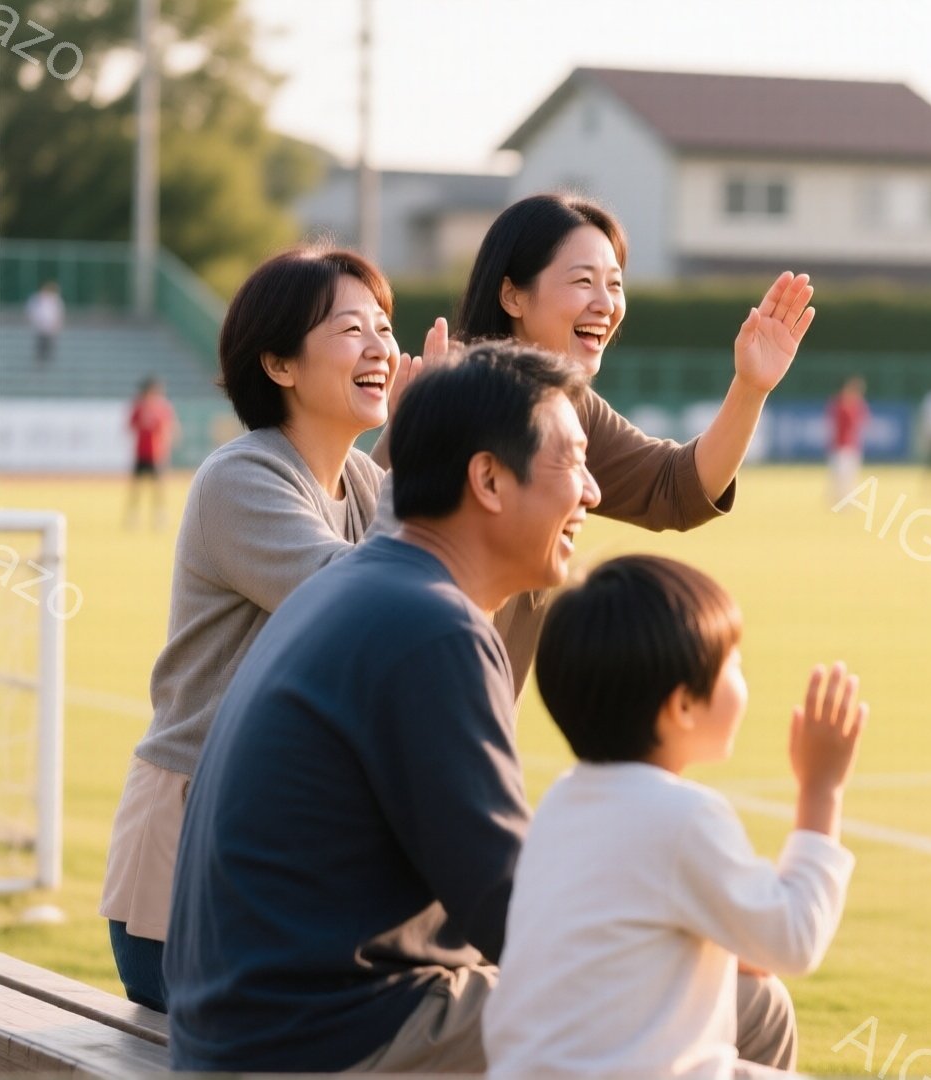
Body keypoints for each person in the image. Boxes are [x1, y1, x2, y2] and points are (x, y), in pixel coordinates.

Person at [435, 193, 816, 1062]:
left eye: (616, 282)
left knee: (739, 995)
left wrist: (750, 386)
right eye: (582, 281)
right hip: (412, 852)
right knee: (732, 1000)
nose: (607, 301)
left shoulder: (561, 408)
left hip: (465, 791)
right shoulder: (451, 410)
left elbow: (675, 489)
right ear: (512, 294)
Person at [165, 344, 599, 1072]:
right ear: (488, 478)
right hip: (323, 1041)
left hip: (247, 1030)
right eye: (574, 461)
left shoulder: (358, 588)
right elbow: (510, 911)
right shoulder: (435, 627)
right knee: (733, 1008)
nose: (590, 491)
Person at [99, 247, 442, 1013]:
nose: (382, 348)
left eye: (385, 328)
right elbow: (362, 603)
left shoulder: (364, 483)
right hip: (191, 899)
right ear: (280, 364)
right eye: (351, 329)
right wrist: (431, 456)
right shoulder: (241, 477)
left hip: (286, 868)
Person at [485, 557, 865, 1078]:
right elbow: (795, 939)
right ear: (683, 706)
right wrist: (822, 790)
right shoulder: (683, 819)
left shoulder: (563, 802)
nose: (742, 677)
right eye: (732, 662)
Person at [125, 377, 178, 530]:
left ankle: (159, 516)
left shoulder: (162, 408)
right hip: (141, 453)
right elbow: (131, 425)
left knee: (158, 488)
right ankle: (133, 516)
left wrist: (167, 444)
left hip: (156, 454)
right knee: (136, 487)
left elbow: (170, 427)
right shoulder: (139, 407)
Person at [826, 375, 870, 505]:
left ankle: (847, 501)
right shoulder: (840, 403)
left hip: (852, 445)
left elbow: (863, 422)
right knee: (839, 475)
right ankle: (837, 501)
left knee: (850, 475)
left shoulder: (857, 404)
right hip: (840, 445)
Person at [27, 281, 63, 366]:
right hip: (40, 328)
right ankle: (40, 363)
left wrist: (56, 325)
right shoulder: (36, 299)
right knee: (40, 346)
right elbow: (31, 312)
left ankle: (48, 363)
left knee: (50, 346)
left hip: (50, 328)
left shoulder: (56, 300)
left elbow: (59, 314)